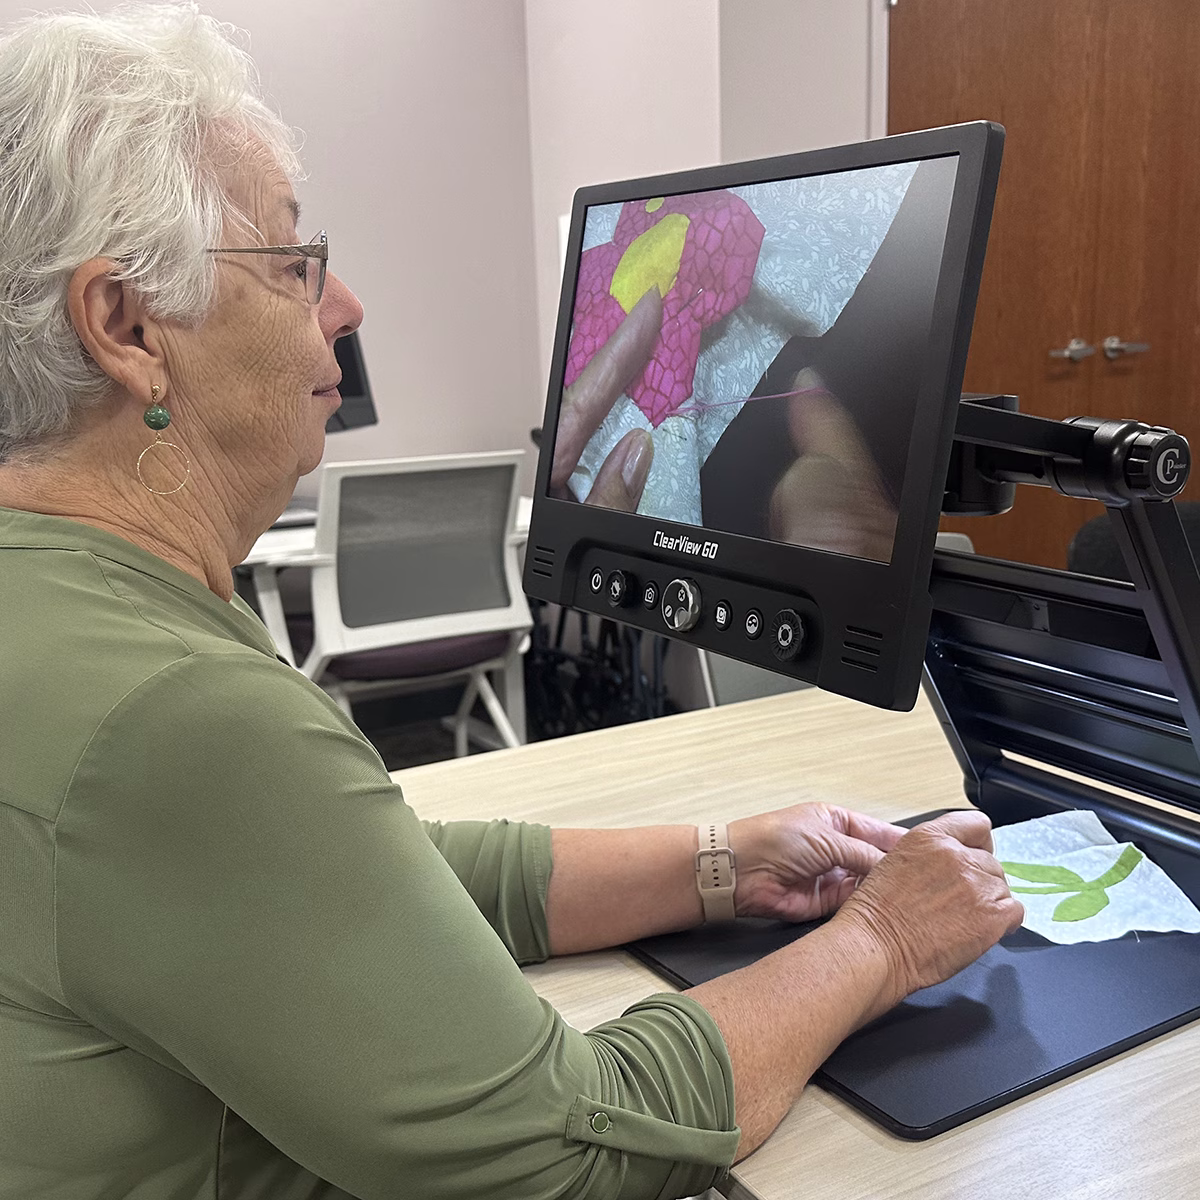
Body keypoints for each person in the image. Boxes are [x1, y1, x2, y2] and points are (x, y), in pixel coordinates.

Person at [0, 6, 1023, 1198]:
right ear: (125, 326)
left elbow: (368, 877)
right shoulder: (176, 717)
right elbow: (561, 1153)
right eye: (295, 264)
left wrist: (722, 859)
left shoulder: (80, 607)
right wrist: (885, 940)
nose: (345, 308)